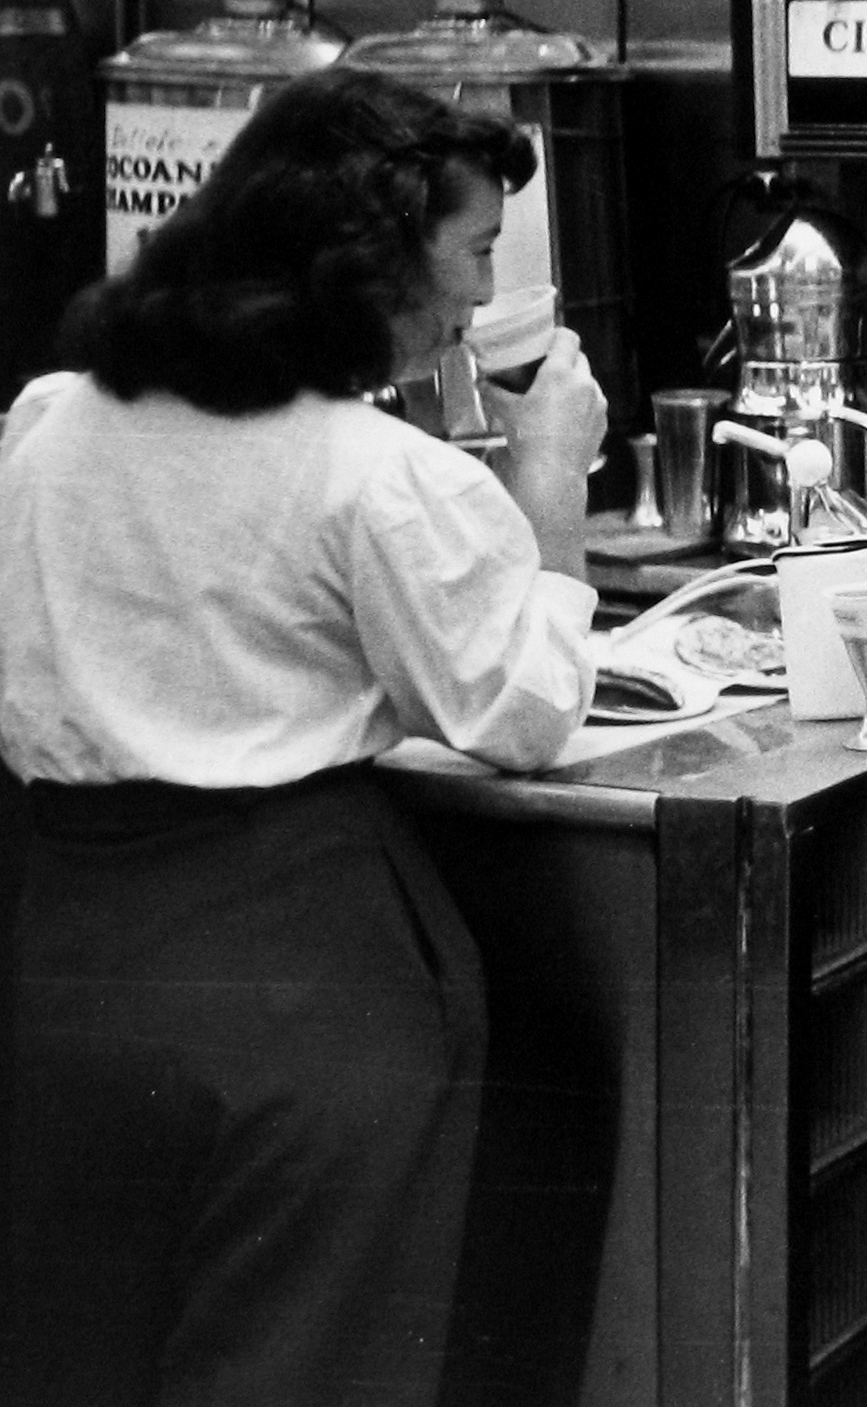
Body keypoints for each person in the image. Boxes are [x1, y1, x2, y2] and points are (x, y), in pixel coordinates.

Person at [0, 70, 605, 1407]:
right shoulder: (380, 478)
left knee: (68, 1356)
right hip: (302, 977)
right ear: (372, 261)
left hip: (64, 963)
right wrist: (549, 486)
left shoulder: (49, 421)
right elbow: (522, 711)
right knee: (301, 1365)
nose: (476, 296)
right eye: (475, 252)